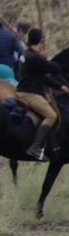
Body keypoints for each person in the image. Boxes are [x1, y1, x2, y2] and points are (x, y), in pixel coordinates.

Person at [17, 29, 69, 160]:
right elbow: (56, 68)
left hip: (24, 90)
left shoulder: (26, 54)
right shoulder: (34, 58)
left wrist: (61, 86)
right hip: (29, 94)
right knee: (52, 115)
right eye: (43, 38)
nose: (44, 40)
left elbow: (41, 77)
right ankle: (35, 147)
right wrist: (44, 59)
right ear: (39, 40)